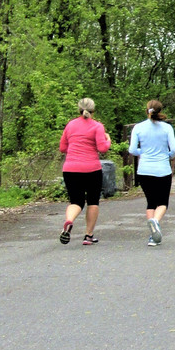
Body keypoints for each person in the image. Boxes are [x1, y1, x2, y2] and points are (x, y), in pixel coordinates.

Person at [58, 97, 112, 245]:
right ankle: (88, 235)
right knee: (93, 201)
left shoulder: (70, 125)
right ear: (93, 110)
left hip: (70, 169)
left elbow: (62, 148)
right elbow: (102, 148)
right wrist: (108, 140)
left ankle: (69, 221)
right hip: (91, 169)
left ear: (79, 109)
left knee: (76, 201)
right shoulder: (97, 126)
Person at [129, 99, 175, 246]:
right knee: (162, 202)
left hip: (144, 170)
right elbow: (174, 149)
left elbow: (132, 150)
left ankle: (152, 236)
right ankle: (155, 221)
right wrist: (167, 155)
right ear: (160, 110)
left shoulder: (138, 127)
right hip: (162, 169)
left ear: (147, 110)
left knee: (151, 202)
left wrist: (141, 153)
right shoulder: (167, 128)